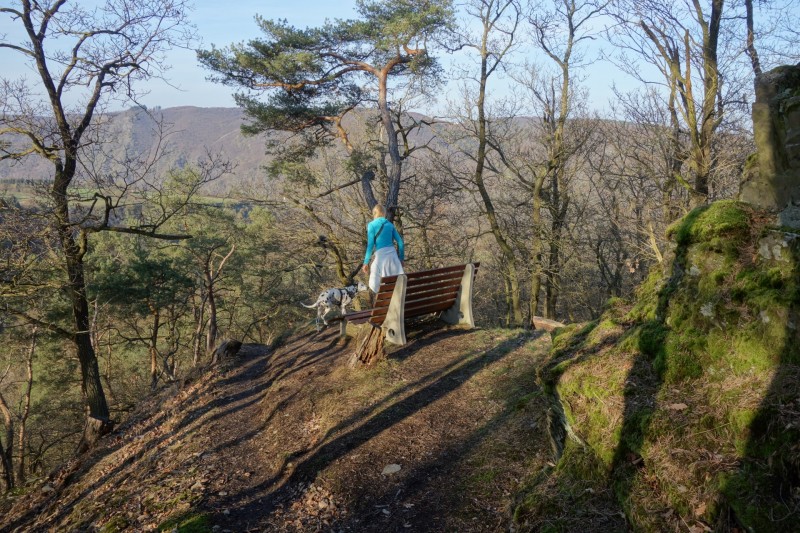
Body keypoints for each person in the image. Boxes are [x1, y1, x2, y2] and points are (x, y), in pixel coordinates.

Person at [361, 204, 405, 293]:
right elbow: (400, 243)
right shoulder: (390, 225)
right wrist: (401, 259)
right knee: (397, 285)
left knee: (373, 284)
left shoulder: (371, 225)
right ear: (384, 213)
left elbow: (370, 245)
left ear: (374, 213)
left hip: (381, 257)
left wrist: (366, 263)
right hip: (393, 257)